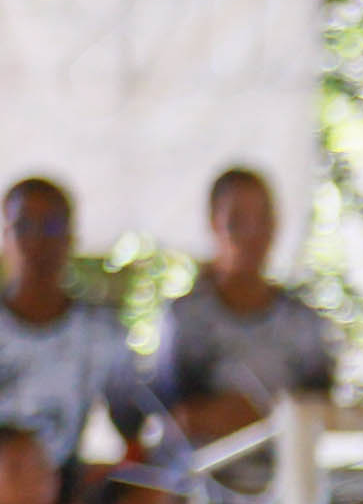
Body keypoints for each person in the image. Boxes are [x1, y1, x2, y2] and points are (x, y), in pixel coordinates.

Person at [150, 166, 338, 446]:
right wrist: (268, 417)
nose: (253, 235)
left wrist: (242, 417)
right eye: (237, 221)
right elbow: (174, 418)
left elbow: (321, 415)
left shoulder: (303, 323)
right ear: (214, 224)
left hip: (286, 479)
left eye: (262, 219)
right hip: (199, 480)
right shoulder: (185, 320)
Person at [0, 178, 155, 478]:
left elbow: (134, 431)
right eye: (24, 227)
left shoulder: (101, 333)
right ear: (5, 239)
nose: (37, 243)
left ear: (71, 239)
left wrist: (103, 489)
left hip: (63, 488)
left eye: (52, 227)